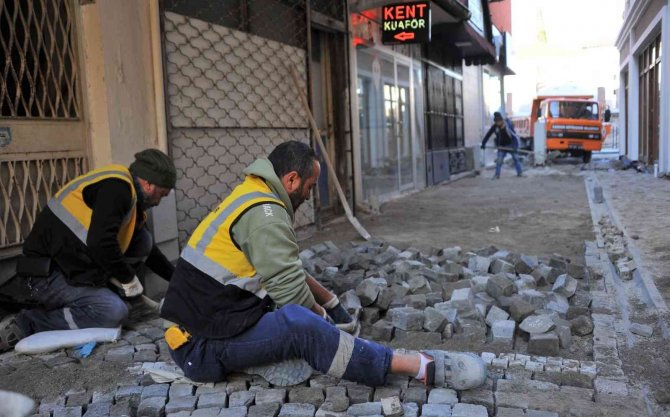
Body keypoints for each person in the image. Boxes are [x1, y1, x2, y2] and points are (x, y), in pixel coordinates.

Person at [160, 140, 487, 389]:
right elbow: (291, 295)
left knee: (295, 317)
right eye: (310, 186)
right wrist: (324, 323)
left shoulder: (253, 196)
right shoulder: (266, 217)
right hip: (199, 347)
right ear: (290, 180)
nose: (309, 195)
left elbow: (287, 272)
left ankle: (262, 357)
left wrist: (331, 303)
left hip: (211, 323)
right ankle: (414, 365)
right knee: (298, 325)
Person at [0, 149, 178, 352]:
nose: (158, 201)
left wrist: (179, 279)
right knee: (112, 312)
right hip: (45, 276)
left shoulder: (129, 198)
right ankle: (28, 322)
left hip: (74, 269)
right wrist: (128, 279)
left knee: (143, 240)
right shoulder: (117, 189)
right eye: (161, 195)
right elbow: (100, 243)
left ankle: (99, 298)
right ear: (148, 184)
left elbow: (151, 253)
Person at [481, 112, 524, 179]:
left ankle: (520, 172)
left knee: (516, 159)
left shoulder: (508, 125)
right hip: (501, 146)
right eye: (496, 122)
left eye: (499, 121)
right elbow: (488, 135)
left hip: (510, 145)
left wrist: (515, 146)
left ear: (502, 120)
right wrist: (483, 143)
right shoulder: (495, 127)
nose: (498, 123)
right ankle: (497, 175)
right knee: (499, 161)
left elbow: (514, 136)